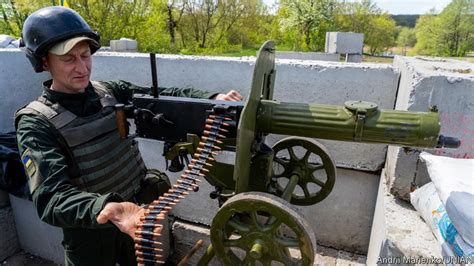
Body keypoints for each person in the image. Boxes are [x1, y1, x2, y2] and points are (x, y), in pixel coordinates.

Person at [15, 6, 242, 266]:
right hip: (91, 235)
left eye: (85, 55)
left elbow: (161, 97)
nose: (82, 67)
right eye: (68, 59)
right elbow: (51, 198)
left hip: (137, 216)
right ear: (44, 61)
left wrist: (210, 100)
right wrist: (106, 207)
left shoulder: (109, 92)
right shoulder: (36, 122)